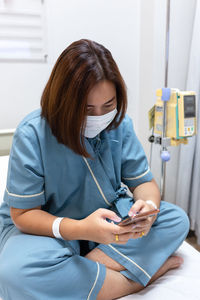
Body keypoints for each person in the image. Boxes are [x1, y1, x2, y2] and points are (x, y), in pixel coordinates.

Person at [0, 39, 189, 300]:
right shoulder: (32, 134)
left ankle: (75, 271)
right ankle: (132, 282)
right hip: (48, 232)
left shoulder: (120, 126)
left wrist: (147, 209)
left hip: (107, 228)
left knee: (176, 220)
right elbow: (23, 215)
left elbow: (145, 183)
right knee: (14, 272)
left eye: (108, 105)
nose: (99, 116)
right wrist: (82, 230)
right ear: (64, 101)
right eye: (87, 109)